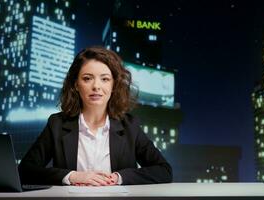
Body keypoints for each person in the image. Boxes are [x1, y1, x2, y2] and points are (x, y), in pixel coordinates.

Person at [18, 46, 172, 186]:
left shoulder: (130, 126)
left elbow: (164, 171)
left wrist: (119, 178)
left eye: (105, 79)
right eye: (87, 78)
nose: (96, 86)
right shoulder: (57, 124)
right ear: (76, 85)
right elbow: (25, 171)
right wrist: (72, 176)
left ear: (113, 86)